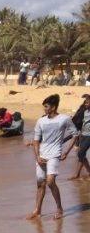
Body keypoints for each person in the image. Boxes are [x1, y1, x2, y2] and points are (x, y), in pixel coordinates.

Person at [28, 93, 78, 221]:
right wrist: (37, 156)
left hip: (55, 154)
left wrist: (66, 152)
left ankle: (59, 208)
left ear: (53, 107)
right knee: (40, 184)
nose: (44, 108)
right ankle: (37, 211)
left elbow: (75, 134)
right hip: (42, 155)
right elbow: (36, 140)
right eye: (44, 106)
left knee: (50, 181)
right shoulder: (41, 120)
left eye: (46, 106)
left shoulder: (64, 119)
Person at [68, 94, 90, 180]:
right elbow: (82, 123)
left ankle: (82, 173)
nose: (85, 104)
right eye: (85, 103)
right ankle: (84, 172)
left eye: (87, 103)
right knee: (81, 154)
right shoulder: (85, 112)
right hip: (83, 134)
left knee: (80, 153)